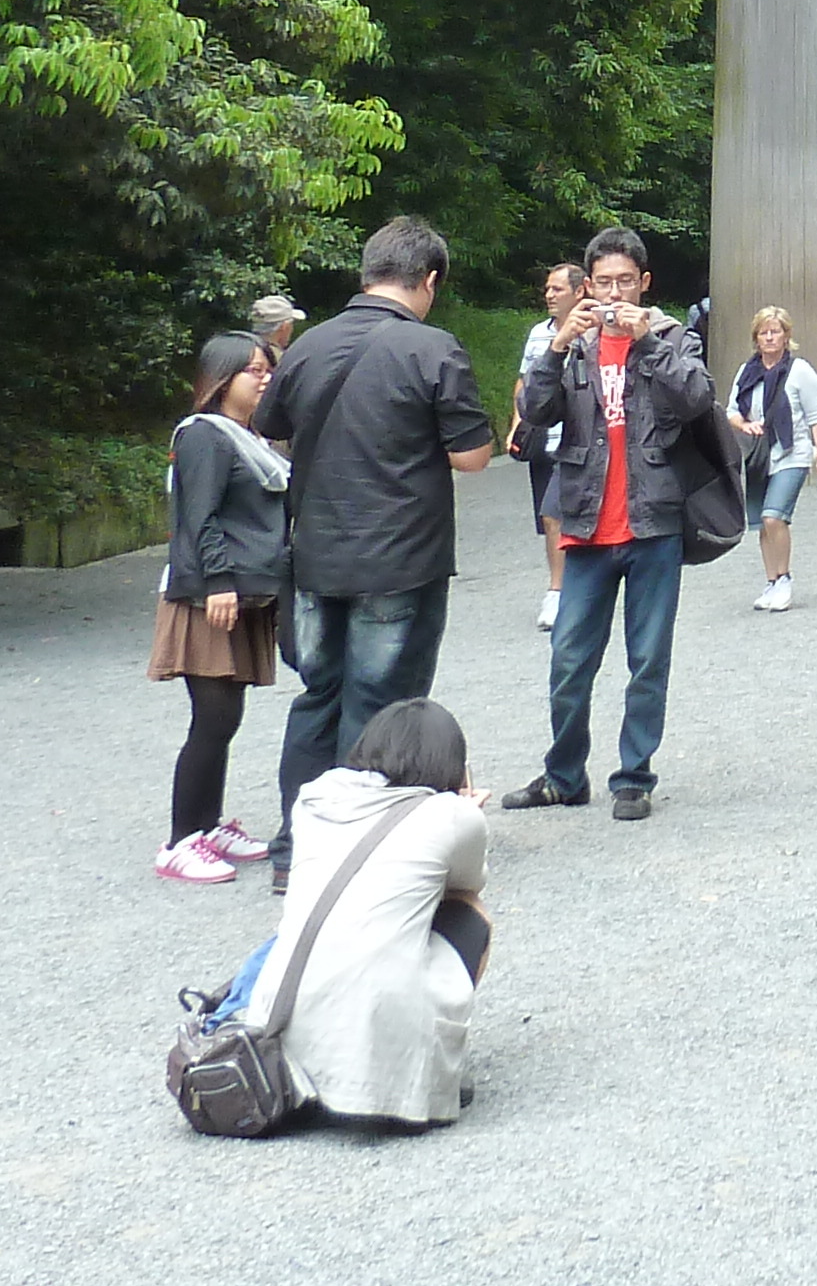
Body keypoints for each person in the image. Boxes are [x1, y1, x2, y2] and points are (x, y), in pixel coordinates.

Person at [257, 218, 496, 887]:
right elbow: (473, 457)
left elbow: (273, 432)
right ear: (430, 280)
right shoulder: (432, 348)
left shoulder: (306, 348)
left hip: (314, 557)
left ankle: (294, 849)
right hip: (400, 556)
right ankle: (357, 851)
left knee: (316, 698)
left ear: (366, 272)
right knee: (381, 704)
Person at [509, 227, 733, 818]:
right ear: (587, 285)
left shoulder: (671, 337)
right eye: (603, 282)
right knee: (568, 661)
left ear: (645, 284)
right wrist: (557, 347)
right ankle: (563, 774)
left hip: (653, 521)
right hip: (585, 524)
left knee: (648, 658)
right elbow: (534, 411)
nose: (614, 293)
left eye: (625, 282)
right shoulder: (572, 345)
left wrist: (648, 344)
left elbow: (697, 398)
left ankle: (634, 775)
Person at [240, 699, 493, 1127]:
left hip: (277, 1042)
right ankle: (423, 1064)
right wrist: (467, 807)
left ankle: (317, 1058)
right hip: (387, 1090)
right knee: (469, 914)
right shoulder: (453, 816)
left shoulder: (315, 797)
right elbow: (467, 883)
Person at [153, 331, 289, 885]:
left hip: (238, 591)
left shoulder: (247, 436)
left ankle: (208, 827)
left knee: (225, 717)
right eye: (253, 370)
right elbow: (199, 517)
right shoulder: (204, 436)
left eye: (268, 370)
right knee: (211, 718)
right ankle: (181, 839)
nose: (264, 379)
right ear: (221, 377)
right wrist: (217, 582)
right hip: (210, 594)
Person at [731, 306, 817, 612]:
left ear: (787, 336)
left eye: (776, 331)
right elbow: (730, 410)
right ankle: (771, 581)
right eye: (764, 332)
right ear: (756, 338)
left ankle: (784, 578)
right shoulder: (747, 371)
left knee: (775, 517)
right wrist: (745, 425)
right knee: (763, 523)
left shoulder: (801, 371)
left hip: (791, 453)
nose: (770, 337)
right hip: (759, 455)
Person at [511, 261, 584, 630]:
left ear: (579, 291)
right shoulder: (538, 334)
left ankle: (566, 590)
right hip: (545, 440)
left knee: (562, 514)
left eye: (557, 289)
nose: (549, 295)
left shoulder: (594, 331)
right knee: (549, 517)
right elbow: (524, 383)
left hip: (581, 441)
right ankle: (559, 589)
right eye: (547, 289)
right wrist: (516, 427)